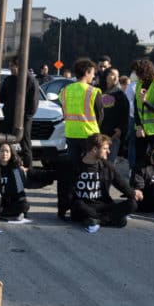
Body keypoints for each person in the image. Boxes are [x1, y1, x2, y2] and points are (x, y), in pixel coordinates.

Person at [57, 58, 103, 220]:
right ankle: (87, 205)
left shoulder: (65, 91)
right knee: (90, 173)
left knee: (73, 172)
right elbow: (99, 116)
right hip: (90, 137)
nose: (93, 77)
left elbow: (64, 111)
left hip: (71, 135)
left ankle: (65, 208)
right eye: (93, 73)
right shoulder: (93, 91)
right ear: (87, 72)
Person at [68, 134, 141, 233]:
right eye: (105, 148)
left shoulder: (107, 166)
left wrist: (133, 194)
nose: (109, 151)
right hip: (84, 207)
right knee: (120, 221)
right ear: (94, 149)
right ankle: (106, 219)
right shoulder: (75, 166)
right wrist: (62, 212)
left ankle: (96, 221)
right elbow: (67, 192)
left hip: (103, 206)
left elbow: (121, 183)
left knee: (132, 204)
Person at [0, 56, 40, 169]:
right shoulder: (9, 80)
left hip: (24, 119)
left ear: (19, 66)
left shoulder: (30, 80)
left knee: (25, 145)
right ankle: (10, 166)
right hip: (9, 116)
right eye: (10, 66)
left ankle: (28, 171)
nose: (10, 69)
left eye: (12, 66)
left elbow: (33, 103)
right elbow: (1, 98)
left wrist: (26, 117)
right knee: (5, 142)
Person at [99, 68, 129, 164]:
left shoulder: (120, 94)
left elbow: (125, 113)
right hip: (98, 133)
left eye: (117, 75)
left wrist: (120, 129)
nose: (116, 77)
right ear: (106, 76)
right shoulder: (98, 90)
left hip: (113, 135)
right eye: (112, 74)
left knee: (109, 164)